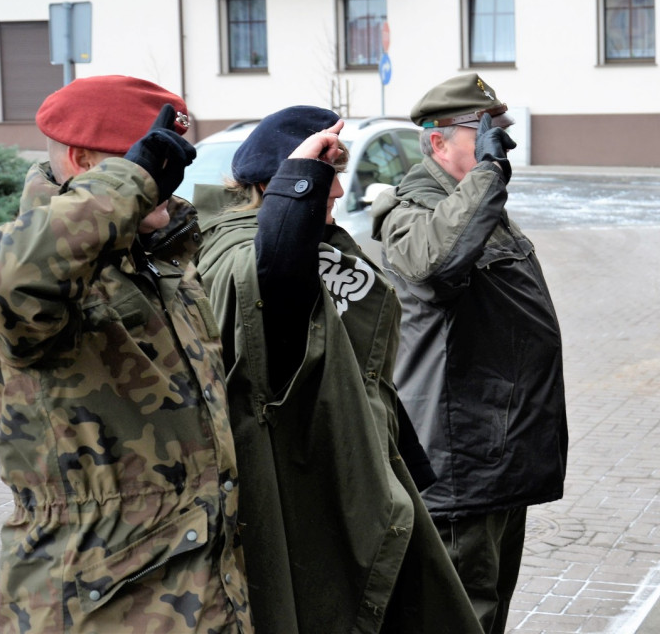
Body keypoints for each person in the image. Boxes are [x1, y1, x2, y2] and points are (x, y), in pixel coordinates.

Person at [193, 105, 483, 634]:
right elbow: (272, 280)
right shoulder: (243, 251)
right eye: (328, 183)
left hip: (354, 467)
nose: (338, 194)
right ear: (275, 186)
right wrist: (302, 183)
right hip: (310, 486)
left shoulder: (309, 240)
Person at [0, 75, 253, 632]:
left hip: (201, 592)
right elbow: (11, 283)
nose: (165, 184)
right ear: (81, 160)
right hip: (95, 600)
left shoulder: (158, 261)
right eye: (148, 163)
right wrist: (133, 180)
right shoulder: (26, 263)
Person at [371, 73, 568, 634]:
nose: (496, 144)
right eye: (480, 131)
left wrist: (483, 181)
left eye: (498, 130)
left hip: (504, 452)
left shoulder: (480, 205)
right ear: (437, 142)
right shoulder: (410, 213)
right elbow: (437, 263)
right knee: (461, 615)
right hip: (462, 462)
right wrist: (485, 177)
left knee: (491, 610)